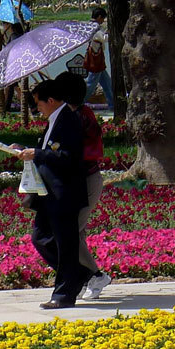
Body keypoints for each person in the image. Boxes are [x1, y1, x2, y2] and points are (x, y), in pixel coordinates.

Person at [15, 81, 89, 309]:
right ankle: (79, 275)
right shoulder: (55, 120)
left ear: (51, 101)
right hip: (48, 192)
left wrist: (37, 153)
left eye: (38, 103)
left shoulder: (69, 120)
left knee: (65, 243)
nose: (37, 108)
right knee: (41, 238)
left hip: (64, 192)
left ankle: (64, 294)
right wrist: (28, 151)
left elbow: (68, 157)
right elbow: (50, 150)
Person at [55, 71, 112, 300]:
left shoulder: (79, 117)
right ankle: (84, 278)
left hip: (86, 180)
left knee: (70, 233)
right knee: (76, 233)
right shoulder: (75, 114)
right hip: (80, 180)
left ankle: (94, 275)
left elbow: (75, 152)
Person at [84, 7, 114, 110]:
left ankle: (112, 105)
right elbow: (103, 38)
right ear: (99, 17)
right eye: (103, 18)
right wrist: (110, 33)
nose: (103, 21)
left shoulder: (89, 26)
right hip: (96, 61)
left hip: (98, 60)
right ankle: (78, 103)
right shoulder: (95, 27)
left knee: (107, 84)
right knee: (91, 85)